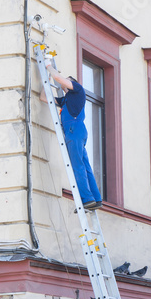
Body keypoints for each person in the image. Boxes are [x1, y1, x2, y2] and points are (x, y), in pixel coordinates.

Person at [40, 60, 102, 211]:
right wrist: (47, 79)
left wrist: (48, 66)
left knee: (77, 166)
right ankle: (96, 198)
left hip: (75, 131)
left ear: (72, 83)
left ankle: (86, 199)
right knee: (85, 166)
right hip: (76, 132)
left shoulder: (78, 91)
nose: (64, 83)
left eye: (68, 81)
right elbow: (44, 97)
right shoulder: (66, 100)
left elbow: (60, 79)